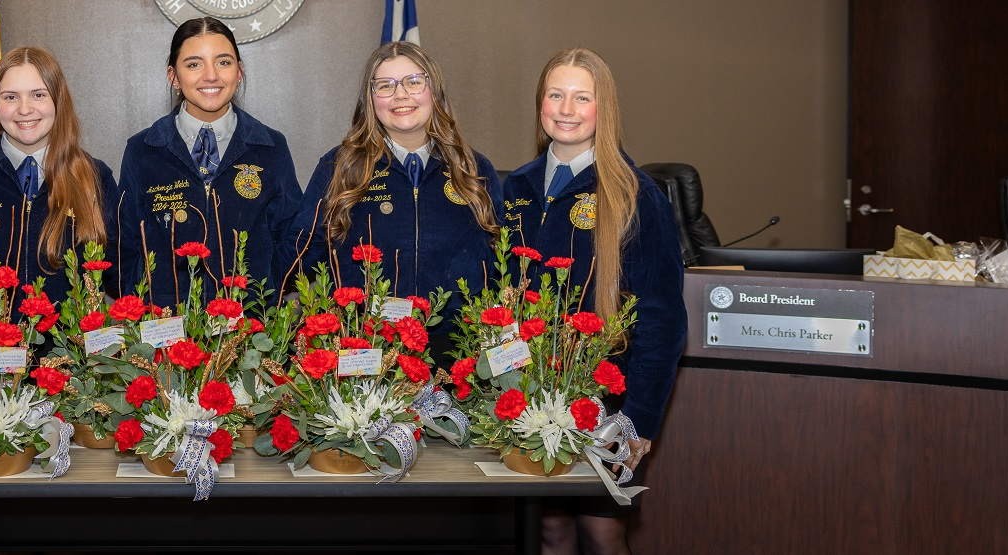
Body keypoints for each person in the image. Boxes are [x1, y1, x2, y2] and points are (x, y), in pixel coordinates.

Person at [499, 48, 687, 555]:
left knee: (603, 534)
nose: (566, 108)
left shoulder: (636, 195)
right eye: (555, 95)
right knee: (550, 530)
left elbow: (663, 321)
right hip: (529, 398)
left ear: (604, 109)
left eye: (583, 97)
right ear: (539, 104)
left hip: (609, 404)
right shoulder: (511, 188)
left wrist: (640, 421)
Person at [291, 41, 502, 363]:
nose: (401, 95)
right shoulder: (340, 167)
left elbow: (504, 263)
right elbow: (303, 253)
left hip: (459, 350)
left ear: (435, 92)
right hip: (365, 345)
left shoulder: (474, 170)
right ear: (370, 98)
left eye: (414, 82)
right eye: (385, 86)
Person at [118, 16, 301, 307]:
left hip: (249, 328)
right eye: (194, 64)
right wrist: (150, 300)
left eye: (223, 62)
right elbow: (124, 244)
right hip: (168, 329)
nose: (211, 75)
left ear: (239, 72)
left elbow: (291, 238)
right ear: (173, 76)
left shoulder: (271, 147)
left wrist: (263, 294)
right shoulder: (142, 150)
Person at [0, 46, 119, 305]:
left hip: (68, 343)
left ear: (58, 100)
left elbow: (121, 270)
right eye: (10, 97)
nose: (24, 109)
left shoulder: (96, 177)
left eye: (38, 95)